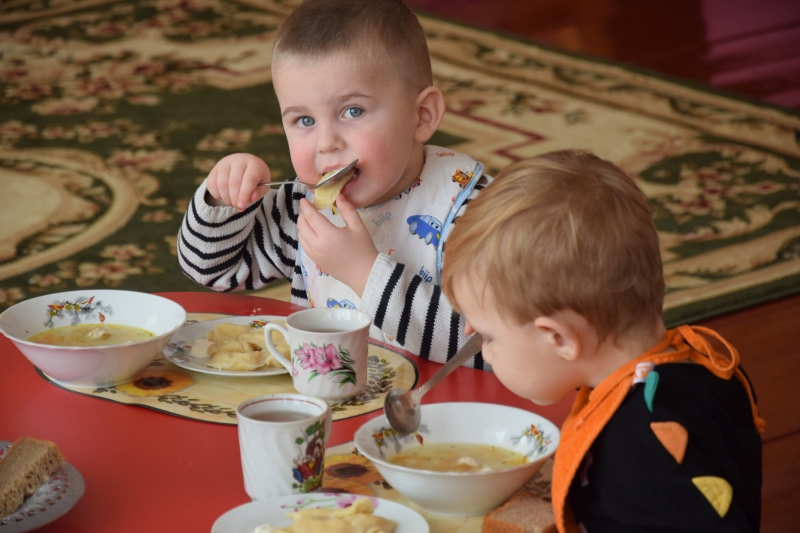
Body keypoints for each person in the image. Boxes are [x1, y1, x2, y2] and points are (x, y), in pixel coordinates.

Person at [440, 150, 765, 532]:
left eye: (487, 335)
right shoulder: (702, 367)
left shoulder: (641, 446)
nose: (473, 339)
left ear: (559, 338)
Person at [178, 0, 491, 366]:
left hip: (439, 411)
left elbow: (489, 347)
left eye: (352, 112)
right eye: (304, 121)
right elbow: (213, 270)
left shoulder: (475, 213)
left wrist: (363, 272)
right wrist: (222, 201)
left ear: (422, 116)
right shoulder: (305, 206)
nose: (327, 143)